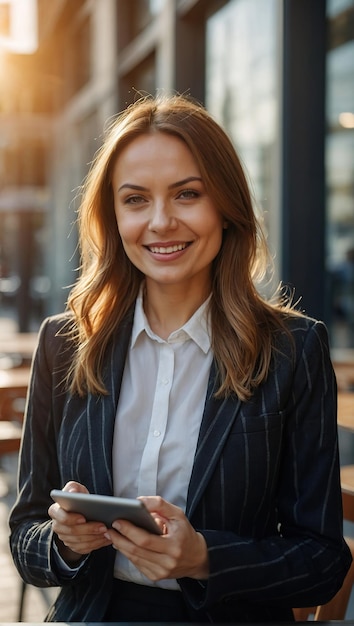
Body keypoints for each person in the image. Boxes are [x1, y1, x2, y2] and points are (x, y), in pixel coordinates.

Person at [9, 94, 351, 623]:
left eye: (187, 194)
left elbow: (324, 561)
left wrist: (206, 559)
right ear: (113, 216)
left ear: (226, 206)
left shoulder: (293, 348)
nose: (161, 222)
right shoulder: (65, 343)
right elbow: (24, 540)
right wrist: (66, 543)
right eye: (136, 199)